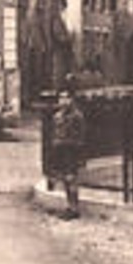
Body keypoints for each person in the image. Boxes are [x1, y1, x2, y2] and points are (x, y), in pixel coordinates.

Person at [49, 85, 86, 219]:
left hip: (71, 150)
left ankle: (74, 208)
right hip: (60, 150)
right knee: (65, 178)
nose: (63, 101)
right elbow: (54, 133)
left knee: (72, 178)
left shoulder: (77, 116)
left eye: (66, 98)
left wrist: (78, 152)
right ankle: (69, 205)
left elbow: (81, 136)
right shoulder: (57, 116)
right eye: (61, 98)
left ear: (71, 99)